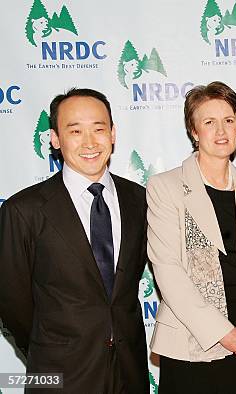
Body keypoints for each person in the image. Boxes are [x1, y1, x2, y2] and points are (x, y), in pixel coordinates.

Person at [0, 88, 149, 393]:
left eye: (99, 128)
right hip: (59, 376)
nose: (90, 142)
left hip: (129, 373)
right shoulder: (23, 209)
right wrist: (55, 346)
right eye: (75, 131)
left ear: (113, 134)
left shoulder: (139, 199)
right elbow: (12, 301)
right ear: (55, 139)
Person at [146, 82, 236, 394]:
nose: (221, 131)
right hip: (193, 343)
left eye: (229, 120)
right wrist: (223, 333)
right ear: (193, 130)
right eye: (209, 122)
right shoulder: (165, 187)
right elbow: (168, 272)